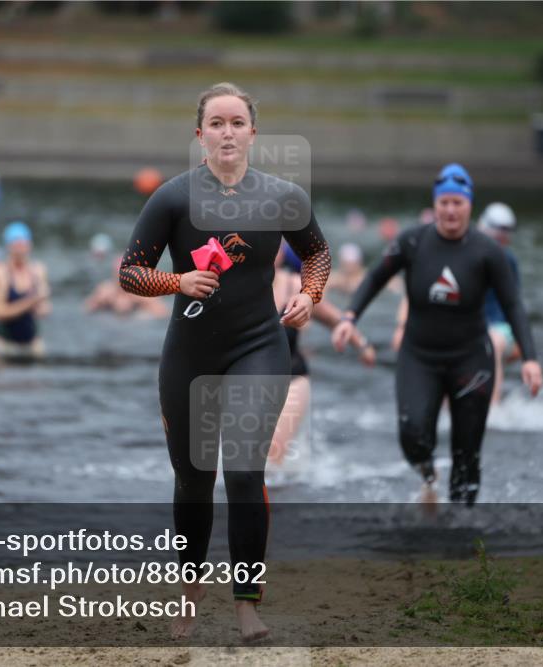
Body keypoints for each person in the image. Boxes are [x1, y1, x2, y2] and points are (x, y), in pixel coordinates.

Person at [117, 82, 330, 641]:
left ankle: (246, 605)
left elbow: (317, 254)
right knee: (192, 479)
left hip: (259, 346)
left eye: (237, 122)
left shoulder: (283, 196)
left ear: (253, 132)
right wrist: (177, 279)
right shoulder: (173, 198)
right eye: (217, 123)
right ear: (200, 135)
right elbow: (129, 273)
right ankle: (188, 596)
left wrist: (310, 296)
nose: (227, 132)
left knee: (242, 471)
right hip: (189, 353)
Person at [333, 163, 543, 506]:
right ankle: (428, 476)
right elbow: (375, 277)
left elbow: (513, 305)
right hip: (420, 356)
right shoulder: (413, 241)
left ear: (469, 206)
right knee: (412, 435)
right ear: (436, 205)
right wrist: (349, 317)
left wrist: (530, 358)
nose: (450, 210)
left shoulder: (488, 251)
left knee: (467, 452)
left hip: (472, 358)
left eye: (457, 203)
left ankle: (462, 535)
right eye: (444, 202)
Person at [269, 243, 374, 466]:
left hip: (292, 377)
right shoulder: (236, 288)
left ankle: (275, 498)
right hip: (247, 380)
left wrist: (362, 345)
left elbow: (335, 319)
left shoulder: (295, 286)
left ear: (282, 255)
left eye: (274, 245)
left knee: (272, 451)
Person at [478, 202, 524, 405]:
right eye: (500, 230)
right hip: (472, 327)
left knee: (492, 341)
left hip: (500, 330)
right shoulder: (467, 253)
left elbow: (514, 305)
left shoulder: (508, 260)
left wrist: (523, 342)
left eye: (507, 231)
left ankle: (492, 409)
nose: (503, 236)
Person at [0, 221, 50, 359]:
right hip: (4, 344)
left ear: (30, 244)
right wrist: (30, 302)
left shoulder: (38, 271)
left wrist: (41, 307)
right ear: (9, 246)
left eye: (24, 243)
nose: (21, 248)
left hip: (32, 344)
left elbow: (45, 309)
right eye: (17, 244)